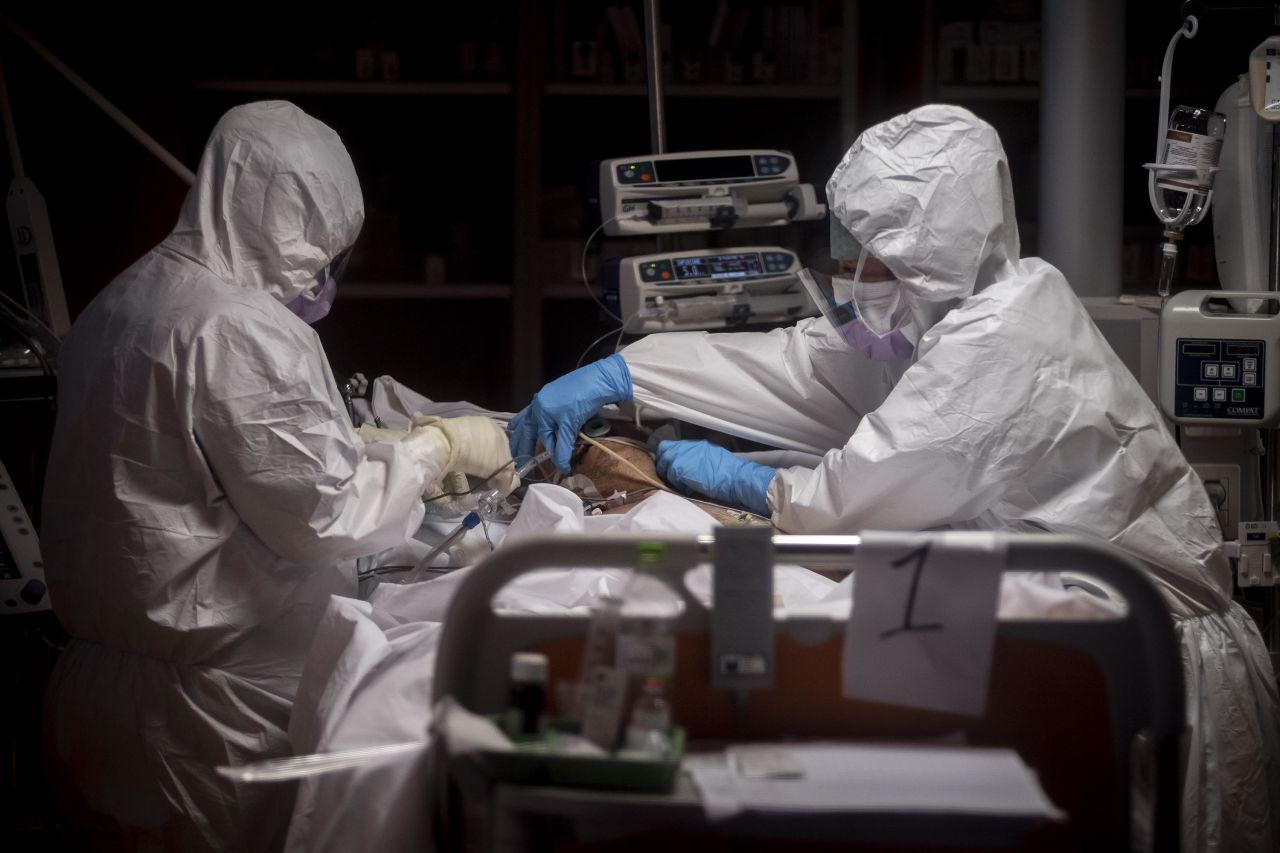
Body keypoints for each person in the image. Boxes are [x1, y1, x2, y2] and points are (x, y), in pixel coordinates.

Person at [511, 104, 1279, 852]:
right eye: (845, 248)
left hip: (1147, 654)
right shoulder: (936, 320)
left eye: (869, 252)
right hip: (1071, 627)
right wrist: (624, 372)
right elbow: (797, 366)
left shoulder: (1003, 337)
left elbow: (838, 505)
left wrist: (738, 477)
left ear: (929, 250)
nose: (848, 274)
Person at [41, 101, 511, 851]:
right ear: (282, 215)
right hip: (210, 722)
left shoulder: (120, 301)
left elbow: (203, 470)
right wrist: (434, 449)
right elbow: (326, 516)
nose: (325, 274)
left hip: (98, 696)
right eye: (322, 246)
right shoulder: (239, 324)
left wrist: (361, 445)